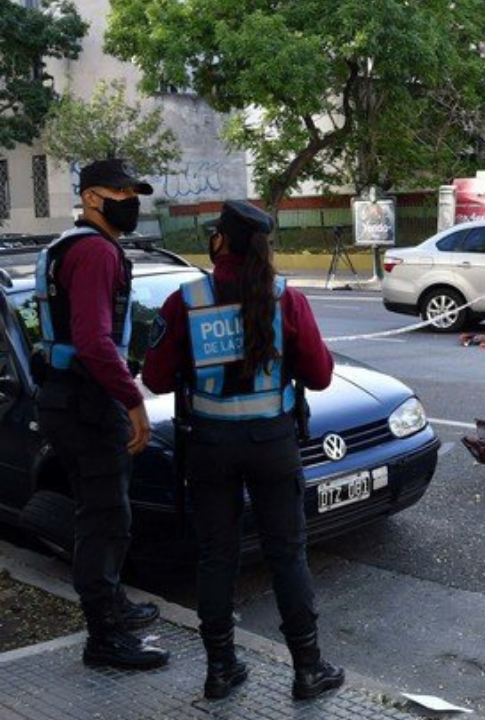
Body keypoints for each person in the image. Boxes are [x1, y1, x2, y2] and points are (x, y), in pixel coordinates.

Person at [142, 200, 343, 701]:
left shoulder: (186, 300)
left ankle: (221, 669)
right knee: (287, 555)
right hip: (272, 445)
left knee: (216, 557)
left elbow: (155, 376)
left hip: (210, 446)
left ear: (220, 242)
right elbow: (319, 375)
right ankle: (308, 669)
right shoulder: (284, 299)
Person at [33, 158, 168, 670]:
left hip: (70, 396)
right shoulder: (94, 252)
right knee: (106, 519)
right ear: (92, 197)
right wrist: (132, 399)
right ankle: (105, 638)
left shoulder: (71, 246)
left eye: (134, 191)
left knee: (103, 512)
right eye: (121, 191)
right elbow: (93, 340)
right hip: (88, 402)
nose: (131, 201)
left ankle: (112, 607)